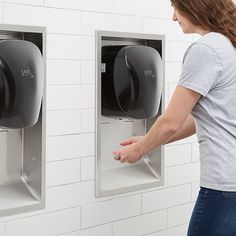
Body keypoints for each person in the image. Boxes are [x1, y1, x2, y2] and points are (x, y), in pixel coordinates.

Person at [113, 0, 236, 235]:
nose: (173, 17)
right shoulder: (229, 44)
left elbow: (171, 122)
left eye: (175, 7)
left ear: (195, 6)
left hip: (223, 185)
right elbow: (202, 118)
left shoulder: (206, 50)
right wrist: (148, 140)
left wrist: (139, 151)